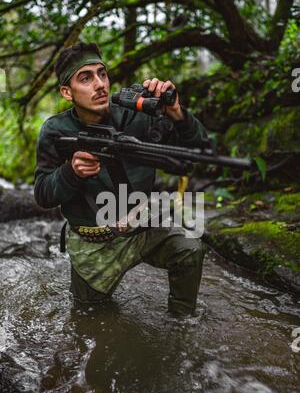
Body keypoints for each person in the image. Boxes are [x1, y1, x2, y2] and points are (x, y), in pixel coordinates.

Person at [34, 42, 207, 316]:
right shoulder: (55, 131)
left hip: (142, 226)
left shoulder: (137, 114)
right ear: (67, 92)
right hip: (93, 243)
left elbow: (198, 150)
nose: (100, 84)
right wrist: (71, 172)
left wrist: (177, 113)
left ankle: (182, 323)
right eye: (86, 78)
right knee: (90, 319)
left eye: (102, 74)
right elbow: (43, 194)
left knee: (189, 248)